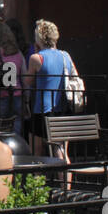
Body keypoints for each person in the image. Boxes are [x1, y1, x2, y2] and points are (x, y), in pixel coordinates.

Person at [24, 18, 79, 159]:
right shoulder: (65, 55)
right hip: (62, 107)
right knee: (60, 149)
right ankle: (66, 181)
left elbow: (28, 81)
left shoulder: (36, 58)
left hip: (42, 109)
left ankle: (36, 180)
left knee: (36, 150)